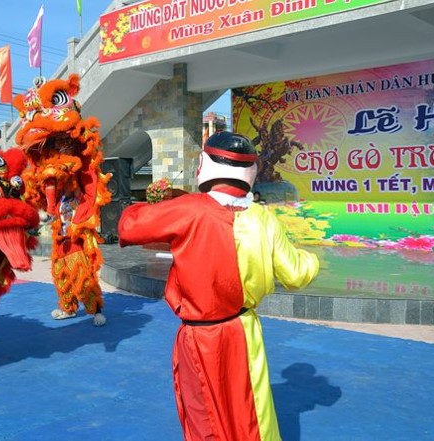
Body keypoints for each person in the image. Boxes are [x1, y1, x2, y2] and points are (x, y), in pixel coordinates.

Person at [118, 132, 320, 440]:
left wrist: (158, 203)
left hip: (201, 335)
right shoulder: (263, 218)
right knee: (252, 413)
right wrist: (313, 258)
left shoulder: (191, 208)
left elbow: (129, 226)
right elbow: (296, 273)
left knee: (204, 415)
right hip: (245, 329)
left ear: (205, 164)